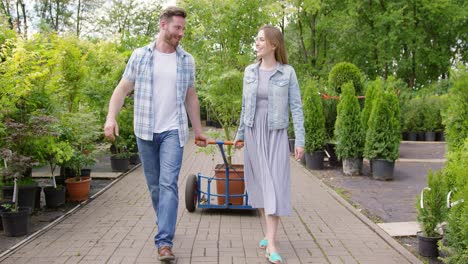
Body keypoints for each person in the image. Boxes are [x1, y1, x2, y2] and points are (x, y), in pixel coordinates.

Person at [104, 6, 207, 261]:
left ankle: (164, 242)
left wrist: (198, 130)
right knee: (154, 187)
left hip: (173, 131)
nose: (181, 33)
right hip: (145, 131)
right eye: (177, 28)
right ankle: (165, 223)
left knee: (168, 184)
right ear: (163, 25)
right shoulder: (140, 56)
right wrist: (110, 118)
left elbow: (190, 96)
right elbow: (122, 89)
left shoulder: (186, 60)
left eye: (183, 28)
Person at [234, 25, 305, 264]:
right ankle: (269, 233)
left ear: (273, 45)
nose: (257, 43)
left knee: (274, 184)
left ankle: (271, 243)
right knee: (261, 186)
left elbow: (296, 107)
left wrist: (301, 141)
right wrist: (240, 134)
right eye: (256, 39)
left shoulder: (287, 73)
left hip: (275, 133)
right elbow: (245, 106)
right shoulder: (249, 72)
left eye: (261, 39)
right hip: (254, 133)